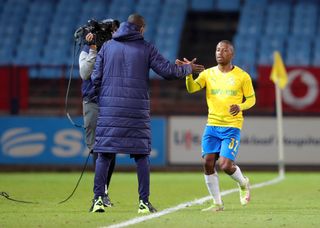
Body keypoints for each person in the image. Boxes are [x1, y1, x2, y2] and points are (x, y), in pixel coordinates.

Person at [89, 13, 205, 213]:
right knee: (142, 156)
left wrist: (105, 98)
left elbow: (95, 78)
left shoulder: (107, 47)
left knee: (104, 154)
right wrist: (187, 69)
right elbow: (167, 71)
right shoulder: (145, 48)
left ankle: (98, 199)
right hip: (137, 111)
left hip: (110, 110)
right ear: (141, 29)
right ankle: (143, 202)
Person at [177, 40, 256, 211]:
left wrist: (240, 106)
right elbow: (191, 89)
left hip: (231, 127)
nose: (220, 52)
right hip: (212, 125)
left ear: (232, 54)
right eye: (218, 49)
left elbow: (251, 99)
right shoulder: (208, 74)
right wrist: (188, 73)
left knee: (226, 165)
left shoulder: (242, 76)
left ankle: (243, 184)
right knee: (208, 163)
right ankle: (217, 203)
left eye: (224, 50)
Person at [78, 19, 119, 209]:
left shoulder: (115, 49)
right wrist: (93, 49)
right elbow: (85, 73)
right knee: (97, 147)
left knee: (110, 148)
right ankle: (99, 194)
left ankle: (105, 192)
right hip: (93, 101)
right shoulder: (87, 49)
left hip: (111, 101)